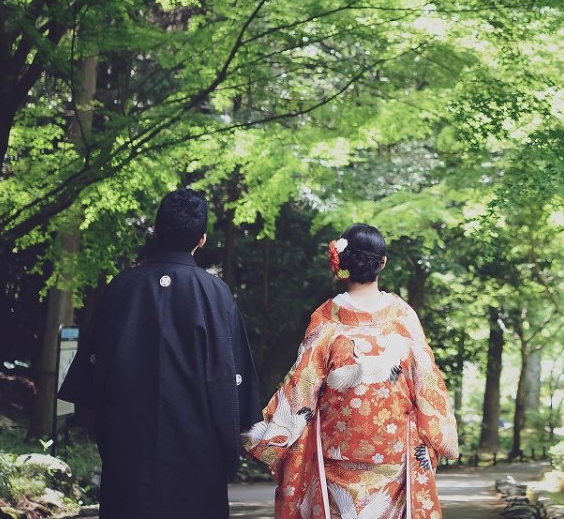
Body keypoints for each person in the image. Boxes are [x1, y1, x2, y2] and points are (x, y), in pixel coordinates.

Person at [59, 188, 261, 519]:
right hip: (198, 456)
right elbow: (231, 382)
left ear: (156, 230)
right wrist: (231, 448)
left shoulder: (122, 287)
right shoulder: (215, 293)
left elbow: (92, 380)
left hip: (129, 452)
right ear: (202, 239)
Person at [244, 223, 458, 519]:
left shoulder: (326, 319)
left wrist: (261, 432)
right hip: (393, 449)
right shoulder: (403, 317)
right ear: (382, 262)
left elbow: (302, 386)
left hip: (338, 452)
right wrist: (439, 435)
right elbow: (427, 384)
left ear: (342, 262)